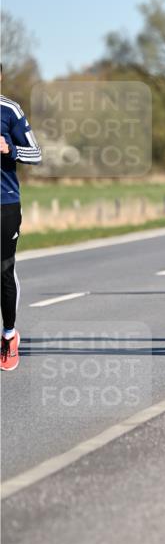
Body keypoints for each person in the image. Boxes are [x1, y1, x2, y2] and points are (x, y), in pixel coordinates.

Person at [1, 63, 42, 370]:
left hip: (5, 204)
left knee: (3, 270)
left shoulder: (9, 110)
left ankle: (9, 335)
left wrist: (9, 148)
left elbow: (36, 154)